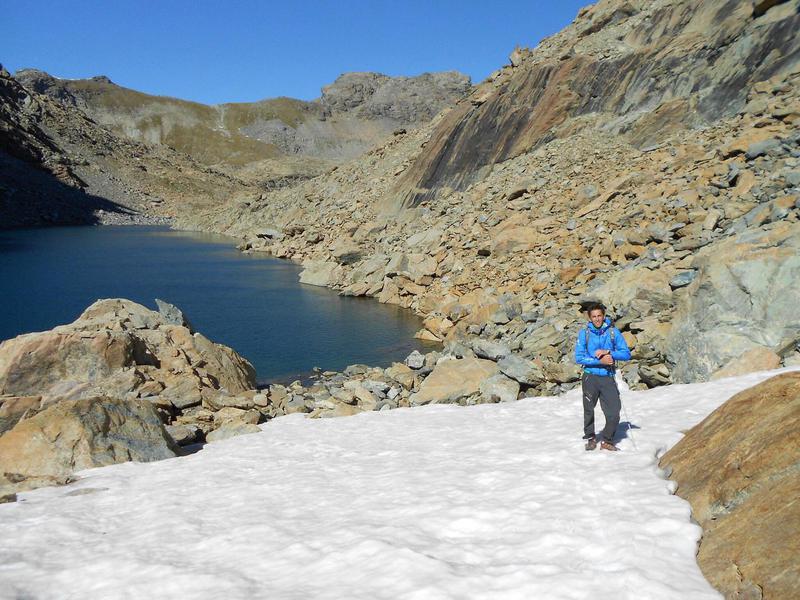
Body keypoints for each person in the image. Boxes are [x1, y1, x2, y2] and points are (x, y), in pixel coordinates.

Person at [574, 302, 631, 451]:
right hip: (590, 377)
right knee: (589, 409)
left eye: (599, 316)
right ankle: (590, 437)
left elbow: (626, 354)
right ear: (589, 318)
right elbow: (579, 358)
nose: (597, 319)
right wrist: (599, 360)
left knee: (614, 411)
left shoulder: (613, 332)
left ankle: (607, 440)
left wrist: (609, 352)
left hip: (607, 376)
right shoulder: (584, 334)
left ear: (604, 316)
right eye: (594, 316)